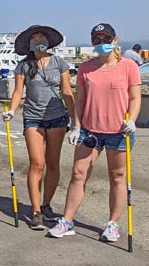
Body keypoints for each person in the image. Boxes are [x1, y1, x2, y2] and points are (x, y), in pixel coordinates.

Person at [48, 23, 141, 242]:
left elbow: (135, 97)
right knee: (78, 174)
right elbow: (80, 100)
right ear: (92, 43)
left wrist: (133, 121)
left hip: (119, 130)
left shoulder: (128, 66)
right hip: (89, 130)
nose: (101, 44)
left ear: (115, 41)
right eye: (97, 40)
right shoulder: (86, 68)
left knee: (117, 177)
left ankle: (112, 224)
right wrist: (76, 126)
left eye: (106, 40)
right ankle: (68, 220)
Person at [2, 25, 76, 230]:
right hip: (33, 118)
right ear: (29, 44)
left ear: (48, 40)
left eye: (41, 37)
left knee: (53, 164)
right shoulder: (23, 66)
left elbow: (67, 91)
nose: (38, 40)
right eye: (34, 38)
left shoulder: (59, 63)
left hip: (57, 118)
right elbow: (18, 92)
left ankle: (46, 205)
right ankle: (35, 211)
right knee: (37, 163)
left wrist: (74, 120)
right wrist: (12, 110)